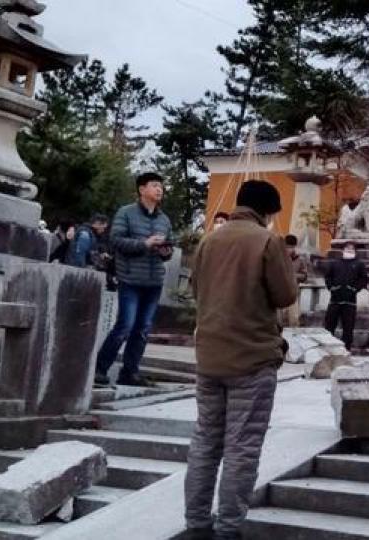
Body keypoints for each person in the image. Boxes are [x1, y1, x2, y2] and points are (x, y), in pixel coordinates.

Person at [184, 180, 298, 540]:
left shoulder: (209, 240)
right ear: (267, 212)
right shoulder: (267, 241)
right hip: (252, 358)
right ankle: (229, 528)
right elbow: (285, 295)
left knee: (205, 442)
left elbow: (196, 291)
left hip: (210, 358)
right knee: (242, 447)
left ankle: (196, 523)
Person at [93, 172, 174, 387]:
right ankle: (99, 369)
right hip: (130, 278)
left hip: (154, 280)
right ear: (142, 189)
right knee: (125, 326)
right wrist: (145, 244)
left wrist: (165, 250)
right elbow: (116, 240)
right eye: (155, 185)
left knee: (143, 329)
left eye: (161, 186)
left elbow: (170, 246)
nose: (159, 190)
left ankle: (130, 372)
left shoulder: (164, 219)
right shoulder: (126, 213)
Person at [324, 242, 368, 350]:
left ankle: (346, 348)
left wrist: (354, 289)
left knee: (348, 327)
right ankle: (327, 346)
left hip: (350, 301)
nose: (349, 250)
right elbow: (328, 276)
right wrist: (331, 287)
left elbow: (363, 279)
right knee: (329, 325)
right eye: (347, 248)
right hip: (335, 299)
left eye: (352, 248)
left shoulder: (359, 264)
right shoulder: (335, 263)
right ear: (343, 250)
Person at [279, 234, 310, 328]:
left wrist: (293, 276)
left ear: (294, 247)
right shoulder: (278, 258)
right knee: (279, 321)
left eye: (291, 247)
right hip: (278, 293)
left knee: (294, 320)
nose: (289, 249)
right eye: (287, 247)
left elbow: (304, 276)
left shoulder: (300, 260)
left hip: (293, 294)